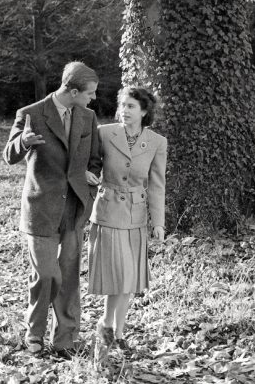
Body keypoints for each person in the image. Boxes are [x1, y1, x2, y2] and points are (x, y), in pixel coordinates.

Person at [3, 61, 102, 358]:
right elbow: (9, 155)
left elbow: (94, 159)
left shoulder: (88, 117)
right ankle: (34, 332)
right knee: (47, 274)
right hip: (41, 208)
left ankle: (66, 339)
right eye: (90, 93)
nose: (94, 98)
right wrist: (23, 141)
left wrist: (89, 177)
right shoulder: (31, 113)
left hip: (74, 208)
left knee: (69, 276)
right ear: (72, 91)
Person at [86, 86, 167, 365]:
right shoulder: (105, 133)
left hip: (136, 216)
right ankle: (105, 327)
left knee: (129, 281)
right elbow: (92, 165)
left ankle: (118, 332)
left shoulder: (157, 142)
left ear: (144, 111)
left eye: (131, 106)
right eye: (122, 105)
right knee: (118, 277)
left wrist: (158, 223)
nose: (124, 111)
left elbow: (157, 185)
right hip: (108, 211)